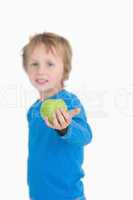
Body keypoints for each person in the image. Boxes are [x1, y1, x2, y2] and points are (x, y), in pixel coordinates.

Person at [22, 32, 92, 200]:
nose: (40, 71)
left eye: (50, 64)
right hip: (38, 195)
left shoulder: (69, 102)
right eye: (34, 64)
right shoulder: (33, 110)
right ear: (26, 68)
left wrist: (66, 127)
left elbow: (85, 136)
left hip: (67, 195)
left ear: (65, 68)